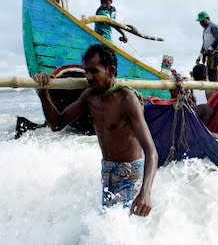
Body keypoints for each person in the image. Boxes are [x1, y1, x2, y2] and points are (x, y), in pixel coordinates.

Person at [33, 44, 157, 217]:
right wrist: (43, 94)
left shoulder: (127, 99)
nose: (88, 77)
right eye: (86, 71)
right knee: (110, 225)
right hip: (107, 170)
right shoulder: (89, 96)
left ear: (111, 70)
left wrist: (146, 192)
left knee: (116, 226)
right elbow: (56, 124)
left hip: (129, 173)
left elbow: (151, 151)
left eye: (94, 71)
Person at [195, 11, 218, 82]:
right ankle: (212, 91)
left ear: (208, 18)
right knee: (209, 73)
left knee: (215, 71)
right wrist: (200, 55)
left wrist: (210, 49)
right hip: (209, 54)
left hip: (216, 52)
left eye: (202, 21)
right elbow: (204, 44)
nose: (201, 23)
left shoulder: (213, 26)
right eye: (200, 22)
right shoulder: (205, 30)